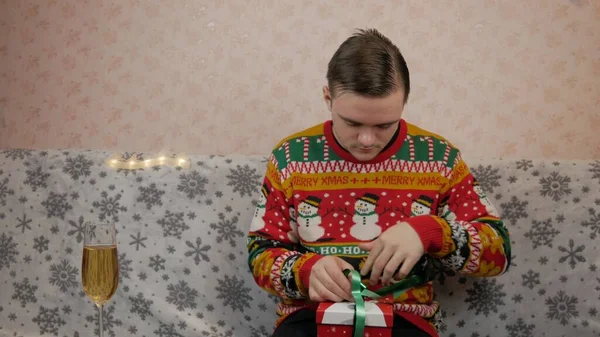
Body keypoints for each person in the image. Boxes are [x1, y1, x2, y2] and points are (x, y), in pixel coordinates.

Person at [246, 28, 511, 337]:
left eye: (385, 125)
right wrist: (305, 272)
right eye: (352, 123)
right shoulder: (290, 157)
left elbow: (499, 254)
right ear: (327, 97)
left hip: (406, 318)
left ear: (404, 104)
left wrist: (429, 232)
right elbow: (261, 253)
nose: (368, 141)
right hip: (311, 317)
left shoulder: (439, 158)